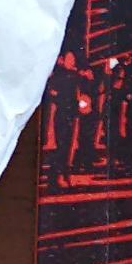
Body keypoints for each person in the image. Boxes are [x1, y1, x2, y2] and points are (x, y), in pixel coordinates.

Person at [42, 49, 93, 178]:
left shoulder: (76, 76)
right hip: (62, 114)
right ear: (61, 60)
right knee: (62, 144)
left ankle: (66, 172)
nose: (72, 62)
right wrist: (60, 96)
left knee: (70, 144)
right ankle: (57, 174)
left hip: (73, 114)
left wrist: (87, 78)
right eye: (69, 59)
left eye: (73, 59)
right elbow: (51, 92)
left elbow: (84, 91)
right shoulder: (57, 76)